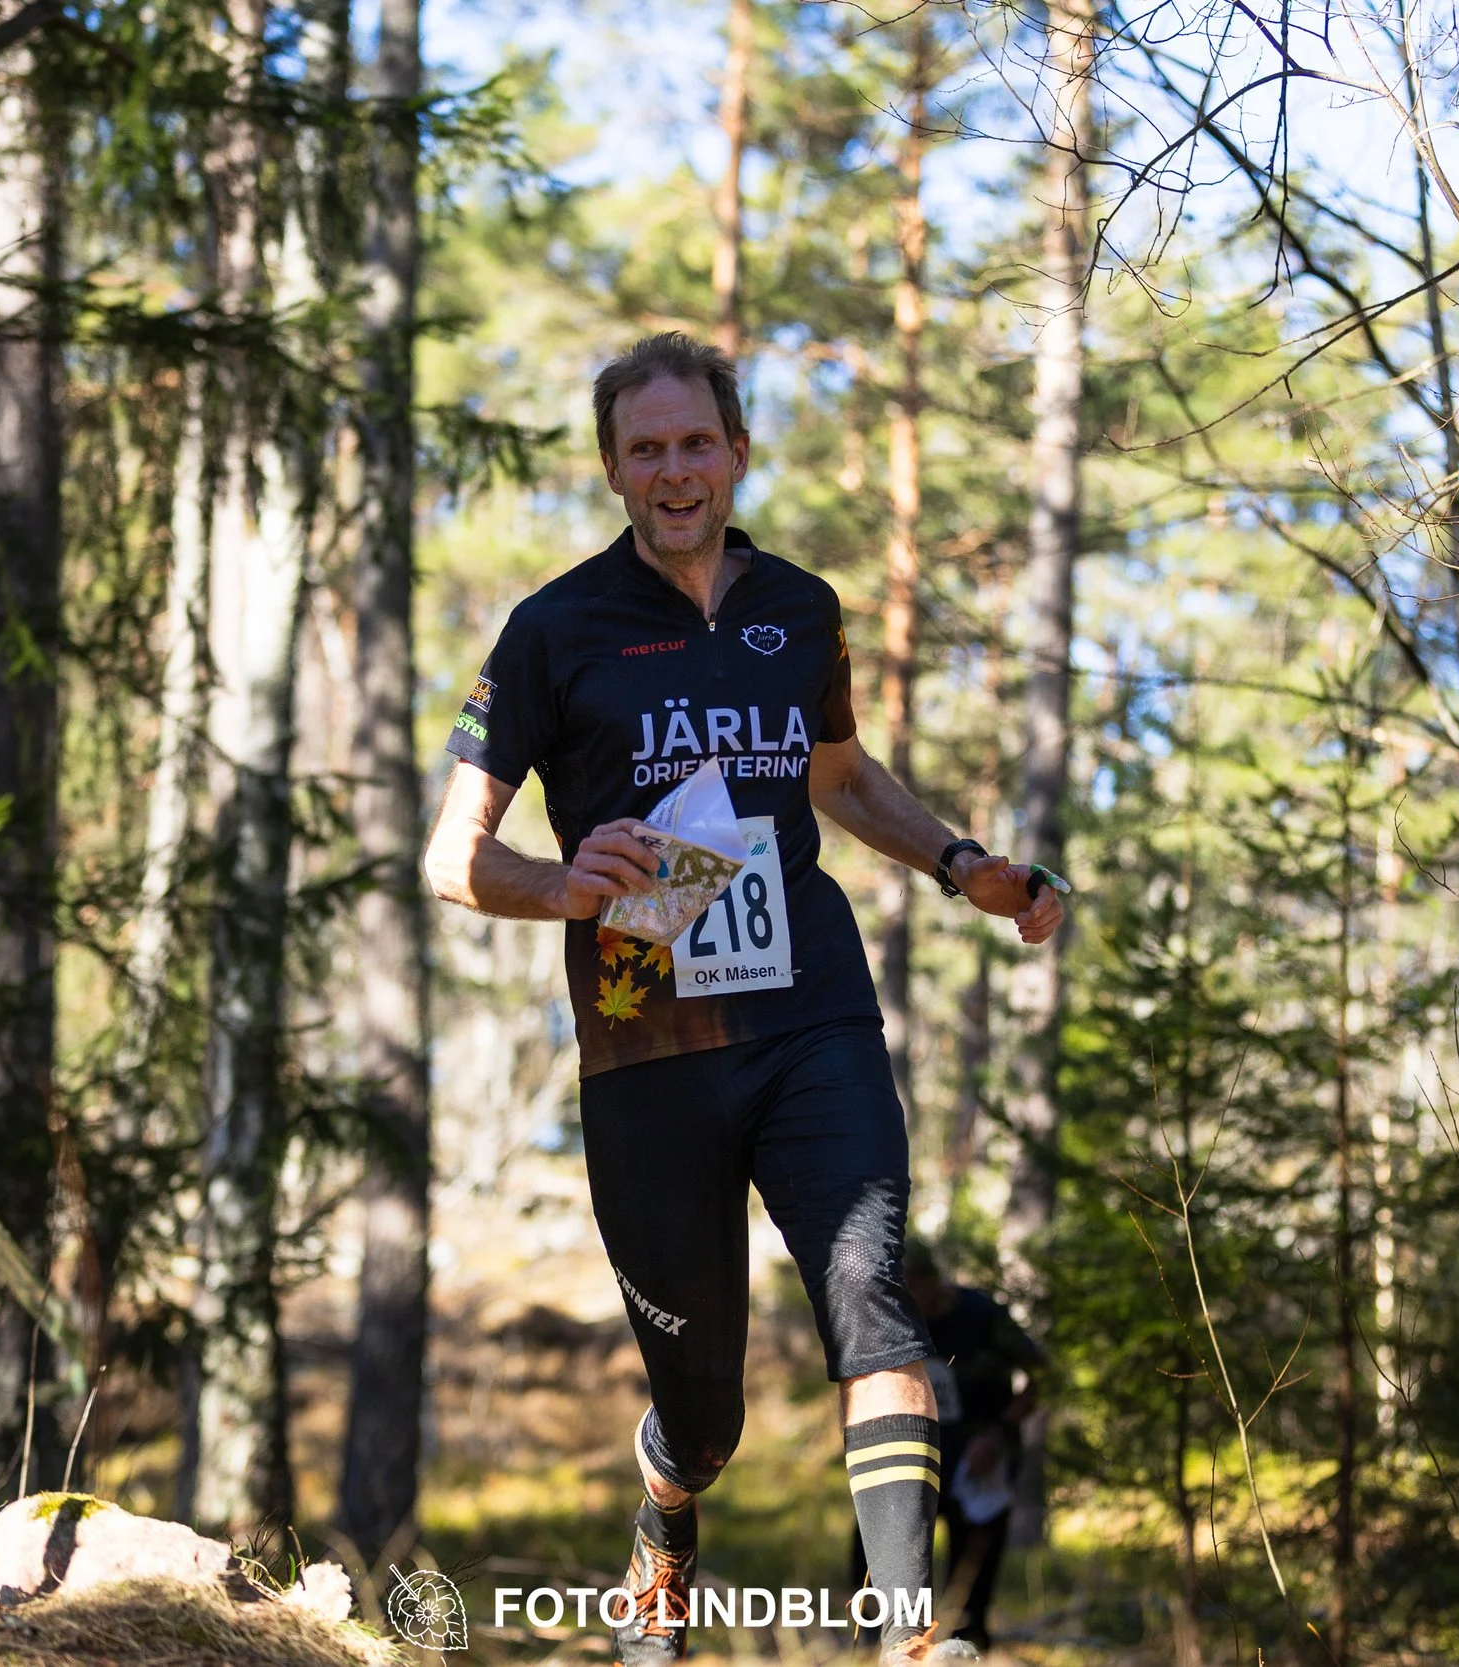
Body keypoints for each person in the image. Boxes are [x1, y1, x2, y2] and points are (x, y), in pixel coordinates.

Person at [423, 332, 1063, 1667]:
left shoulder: (801, 608)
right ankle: (666, 1506)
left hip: (811, 1011)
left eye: (695, 442)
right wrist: (565, 884)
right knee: (704, 1410)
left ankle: (908, 1633)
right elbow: (453, 859)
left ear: (738, 453)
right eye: (644, 449)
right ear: (613, 466)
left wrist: (963, 863)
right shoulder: (552, 631)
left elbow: (838, 776)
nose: (673, 471)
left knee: (870, 1294)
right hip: (646, 1037)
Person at [850, 1242, 1044, 1651]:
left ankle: (967, 1643)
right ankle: (880, 1644)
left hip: (979, 1457)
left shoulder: (983, 1316)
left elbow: (1039, 1378)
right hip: (913, 1452)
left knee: (972, 1570)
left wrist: (999, 1434)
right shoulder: (892, 1320)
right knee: (874, 1541)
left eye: (910, 1286)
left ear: (929, 1280)